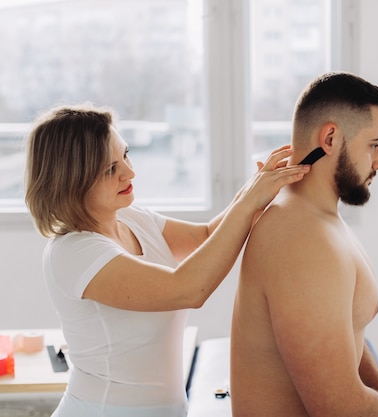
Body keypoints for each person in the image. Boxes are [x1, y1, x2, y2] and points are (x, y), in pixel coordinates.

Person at [23, 103, 310, 417]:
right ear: (71, 180)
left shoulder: (131, 218)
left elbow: (206, 236)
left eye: (126, 155)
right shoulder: (74, 252)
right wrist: (251, 199)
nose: (130, 172)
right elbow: (189, 289)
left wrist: (257, 185)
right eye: (110, 169)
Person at [230, 72, 378, 417]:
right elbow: (336, 408)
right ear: (330, 137)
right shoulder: (300, 241)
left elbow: (344, 332)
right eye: (374, 145)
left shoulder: (315, 213)